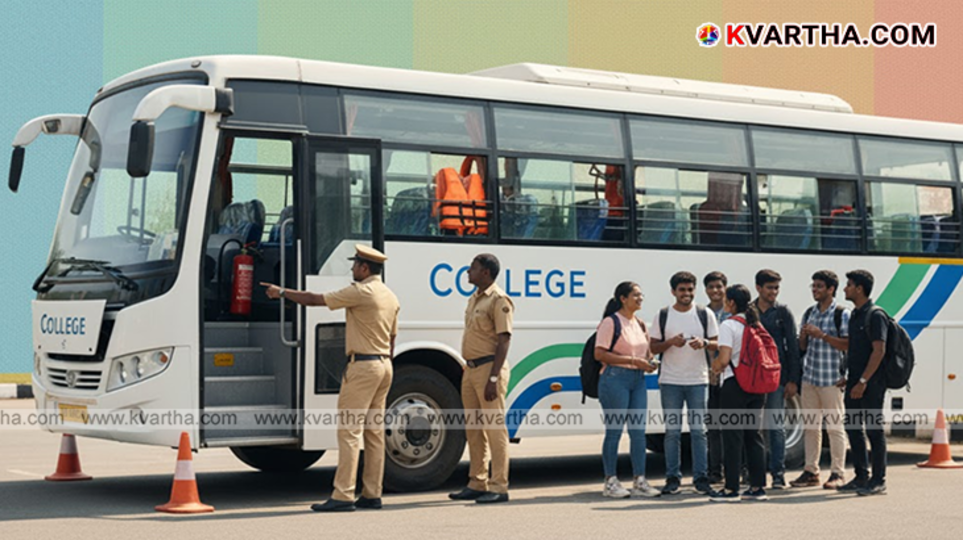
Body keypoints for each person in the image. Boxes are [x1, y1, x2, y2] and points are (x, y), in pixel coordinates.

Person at [261, 244, 400, 512]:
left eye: (355, 264)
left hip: (363, 366)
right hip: (384, 365)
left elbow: (315, 299)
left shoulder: (361, 291)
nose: (352, 268)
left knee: (349, 432)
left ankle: (343, 494)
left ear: (364, 267)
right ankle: (372, 493)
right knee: (374, 433)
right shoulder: (390, 296)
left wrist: (281, 292)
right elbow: (393, 338)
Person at [448, 254, 514, 504]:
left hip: (489, 370)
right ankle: (477, 482)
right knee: (473, 429)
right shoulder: (474, 298)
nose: (468, 271)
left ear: (485, 272)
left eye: (473, 268)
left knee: (495, 429)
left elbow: (504, 340)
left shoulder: (499, 300)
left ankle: (499, 486)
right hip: (472, 369)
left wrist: (494, 377)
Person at [650, 271, 719, 495]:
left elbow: (717, 343)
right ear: (673, 292)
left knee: (699, 431)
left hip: (698, 380)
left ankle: (701, 478)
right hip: (670, 381)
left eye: (690, 290)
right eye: (682, 290)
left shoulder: (704, 313)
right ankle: (672, 478)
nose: (687, 294)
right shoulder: (663, 315)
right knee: (672, 432)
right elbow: (652, 347)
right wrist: (670, 342)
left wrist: (704, 342)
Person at [594, 281, 660, 498]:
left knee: (638, 432)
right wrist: (633, 360)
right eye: (636, 295)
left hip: (638, 379)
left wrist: (649, 362)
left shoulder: (640, 323)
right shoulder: (610, 322)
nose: (640, 299)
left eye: (641, 295)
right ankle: (610, 481)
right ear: (623, 298)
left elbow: (646, 352)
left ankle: (639, 480)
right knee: (614, 431)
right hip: (615, 379)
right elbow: (600, 354)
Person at [709, 284, 769, 502]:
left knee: (732, 437)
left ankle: (731, 489)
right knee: (754, 437)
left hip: (735, 386)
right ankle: (757, 488)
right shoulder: (756, 324)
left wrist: (714, 367)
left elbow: (724, 359)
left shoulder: (729, 324)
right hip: (757, 386)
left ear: (731, 303)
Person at [791, 270, 850, 490]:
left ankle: (838, 473)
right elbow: (803, 348)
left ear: (831, 289)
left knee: (834, 428)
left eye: (819, 286)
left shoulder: (842, 314)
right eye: (813, 286)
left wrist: (822, 335)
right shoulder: (809, 313)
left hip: (832, 379)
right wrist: (804, 338)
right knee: (811, 427)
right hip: (810, 378)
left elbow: (848, 344)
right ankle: (811, 471)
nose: (815, 290)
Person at [840, 270, 888, 496]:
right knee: (852, 428)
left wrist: (862, 381)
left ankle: (879, 480)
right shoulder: (855, 315)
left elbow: (879, 351)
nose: (845, 289)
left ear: (859, 288)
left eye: (848, 285)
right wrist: (848, 376)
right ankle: (861, 476)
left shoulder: (875, 315)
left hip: (872, 383)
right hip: (854, 382)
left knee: (874, 431)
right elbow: (854, 349)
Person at [752, 269, 800, 489]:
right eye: (770, 288)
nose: (773, 292)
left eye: (776, 288)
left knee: (776, 427)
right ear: (758, 288)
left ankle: (778, 475)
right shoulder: (748, 311)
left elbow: (792, 347)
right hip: (752, 378)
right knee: (751, 426)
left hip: (776, 378)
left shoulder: (783, 312)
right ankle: (752, 474)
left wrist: (793, 379)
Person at [704, 271, 729, 485]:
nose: (715, 291)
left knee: (735, 425)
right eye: (711, 287)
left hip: (731, 377)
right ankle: (715, 470)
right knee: (713, 427)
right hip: (710, 377)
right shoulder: (702, 314)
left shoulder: (734, 313)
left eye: (719, 287)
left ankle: (738, 469)